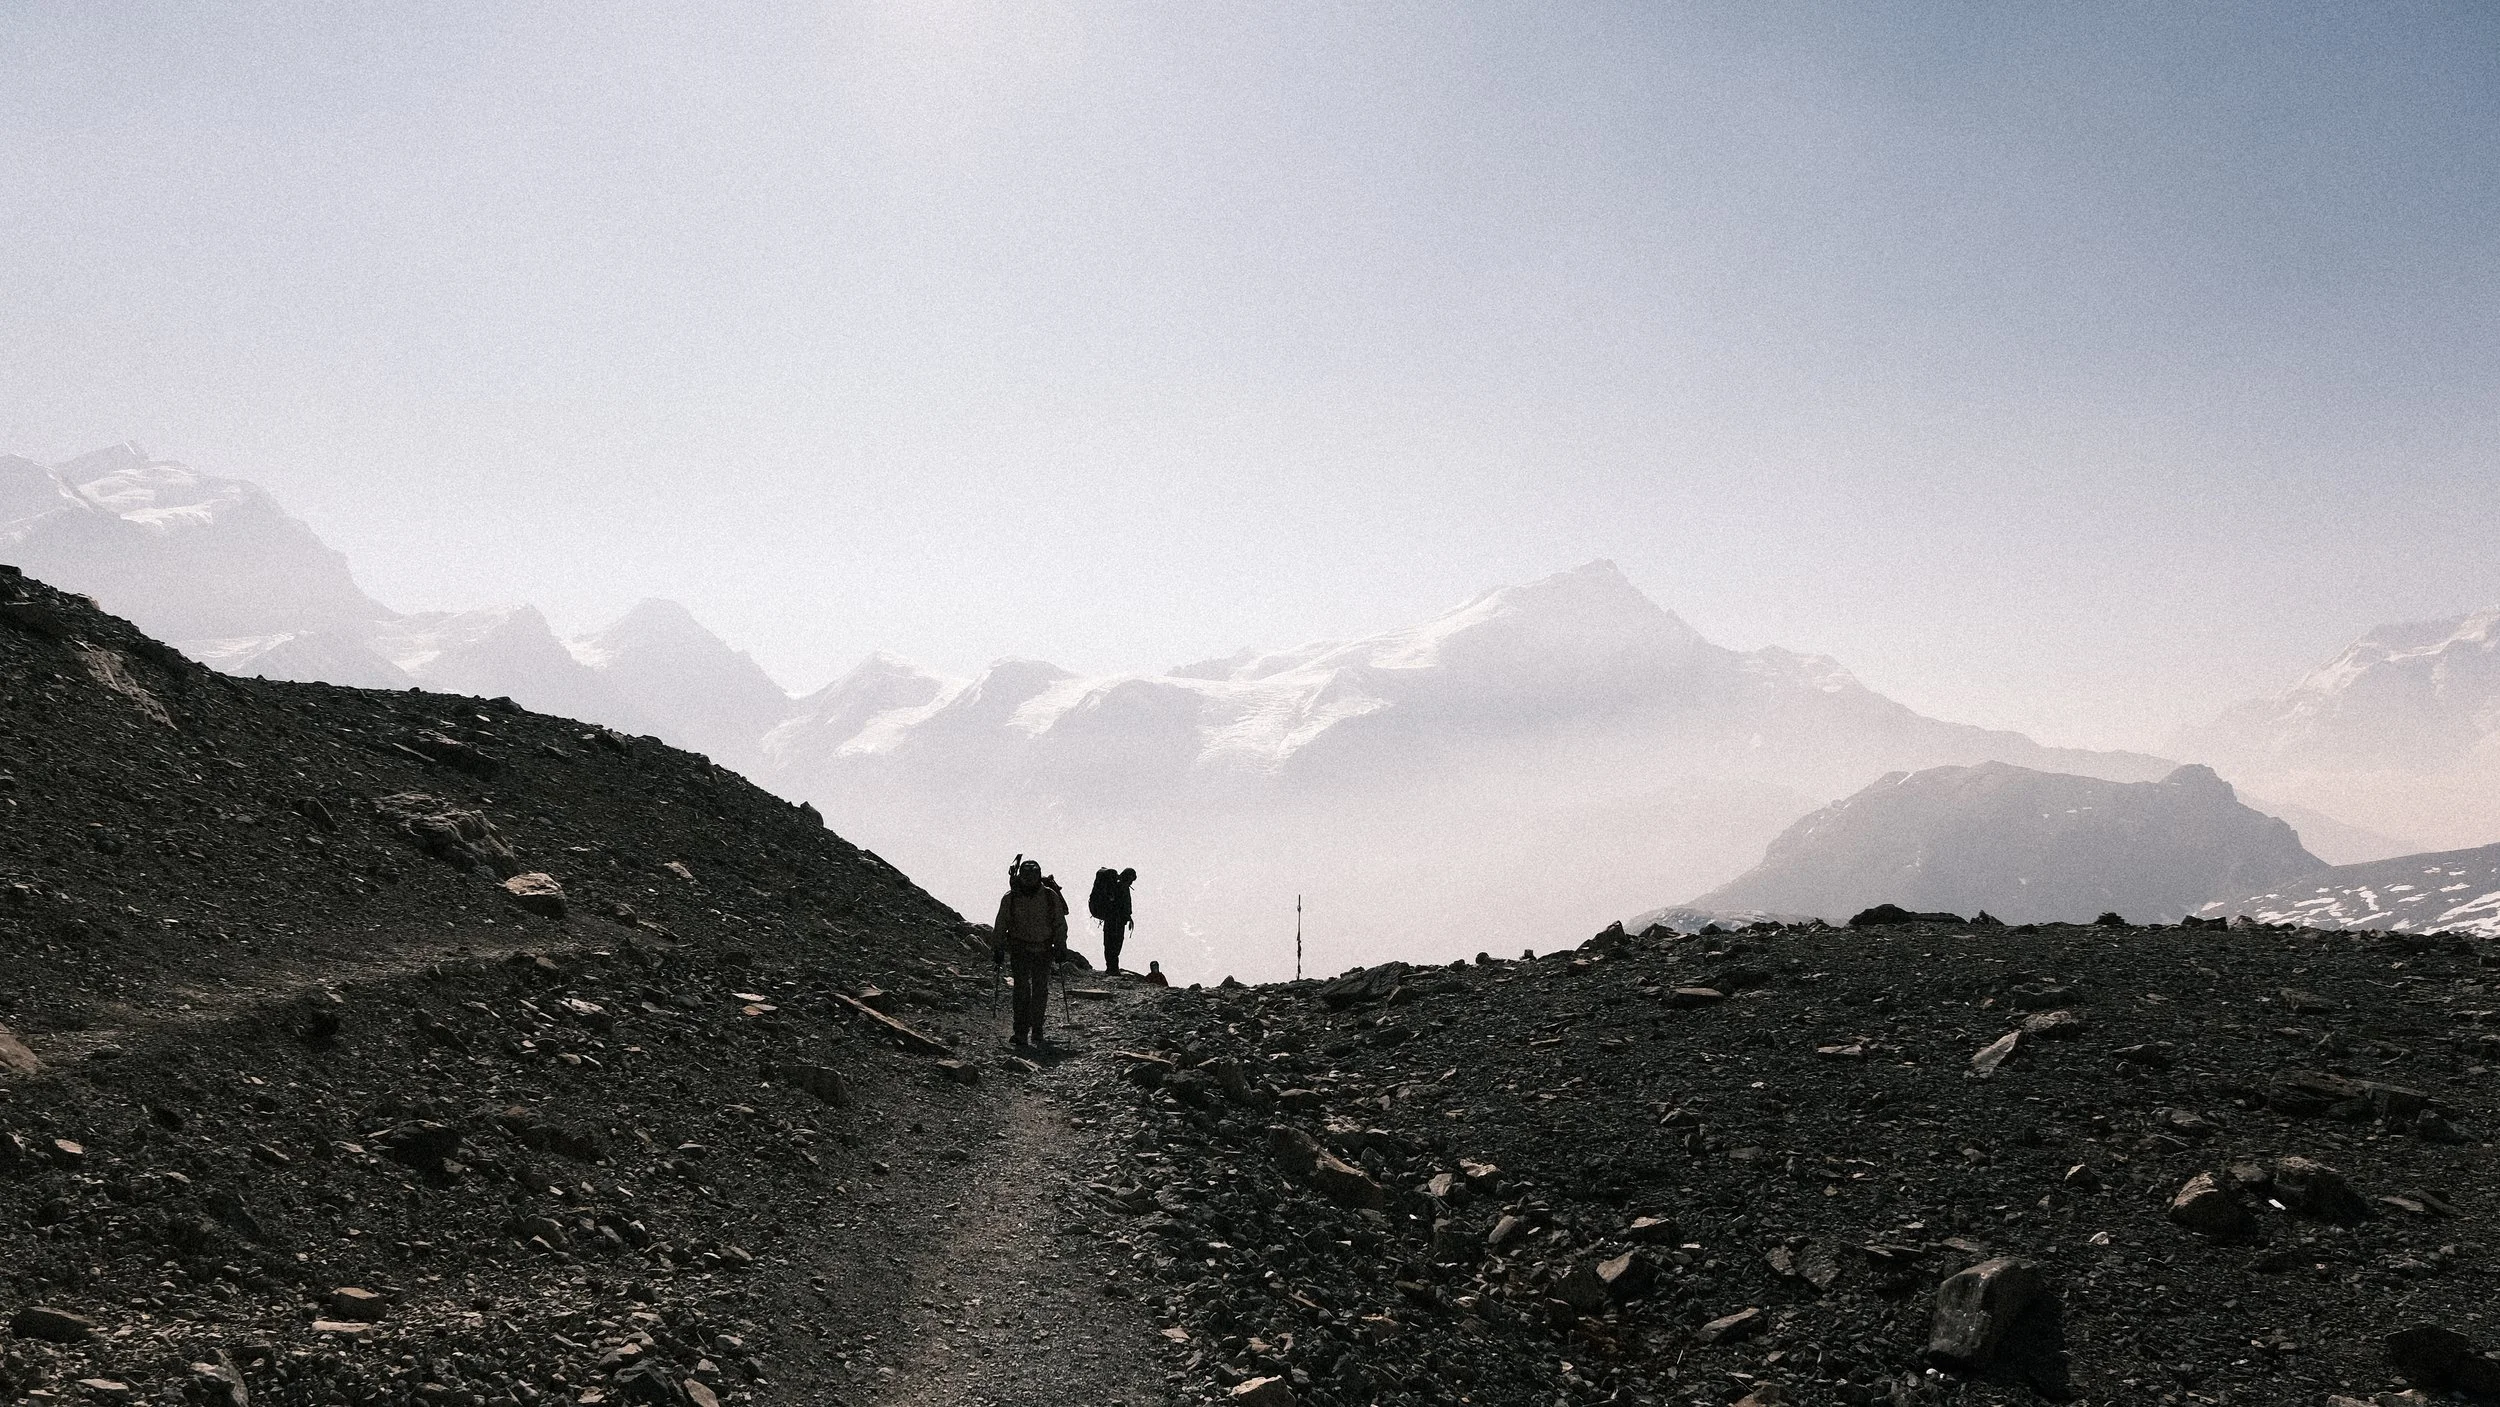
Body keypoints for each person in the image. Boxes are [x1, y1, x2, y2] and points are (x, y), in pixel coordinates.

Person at [991, 858, 1067, 1047]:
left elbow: (1059, 924)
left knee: (1035, 991)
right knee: (1025, 990)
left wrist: (1060, 946)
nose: (1030, 880)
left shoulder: (1042, 896)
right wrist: (998, 947)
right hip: (1024, 949)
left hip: (1036, 949)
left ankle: (1033, 1031)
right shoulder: (1014, 897)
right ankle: (1024, 1032)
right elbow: (1001, 924)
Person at [1098, 866, 1137, 974]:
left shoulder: (1118, 886)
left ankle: (1111, 967)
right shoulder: (1120, 887)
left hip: (1113, 921)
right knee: (1114, 945)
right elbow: (1121, 905)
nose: (1132, 883)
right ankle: (1112, 968)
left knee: (1110, 944)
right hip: (1115, 922)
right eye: (1132, 879)